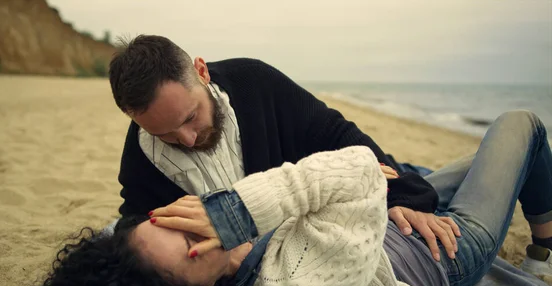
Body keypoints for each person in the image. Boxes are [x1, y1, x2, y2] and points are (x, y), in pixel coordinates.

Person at [0, 111, 552, 286]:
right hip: (437, 250)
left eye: (167, 218)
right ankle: (543, 251)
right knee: (519, 125)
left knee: (423, 172)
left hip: (373, 222)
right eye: (190, 237)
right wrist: (236, 210)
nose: (200, 220)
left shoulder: (207, 269)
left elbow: (124, 241)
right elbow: (358, 170)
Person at [109, 35, 459, 263]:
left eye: (190, 118)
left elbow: (337, 134)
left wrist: (405, 197)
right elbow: (135, 222)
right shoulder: (142, 151)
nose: (185, 139)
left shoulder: (254, 81)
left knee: (434, 183)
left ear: (202, 72)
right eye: (165, 134)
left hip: (368, 174)